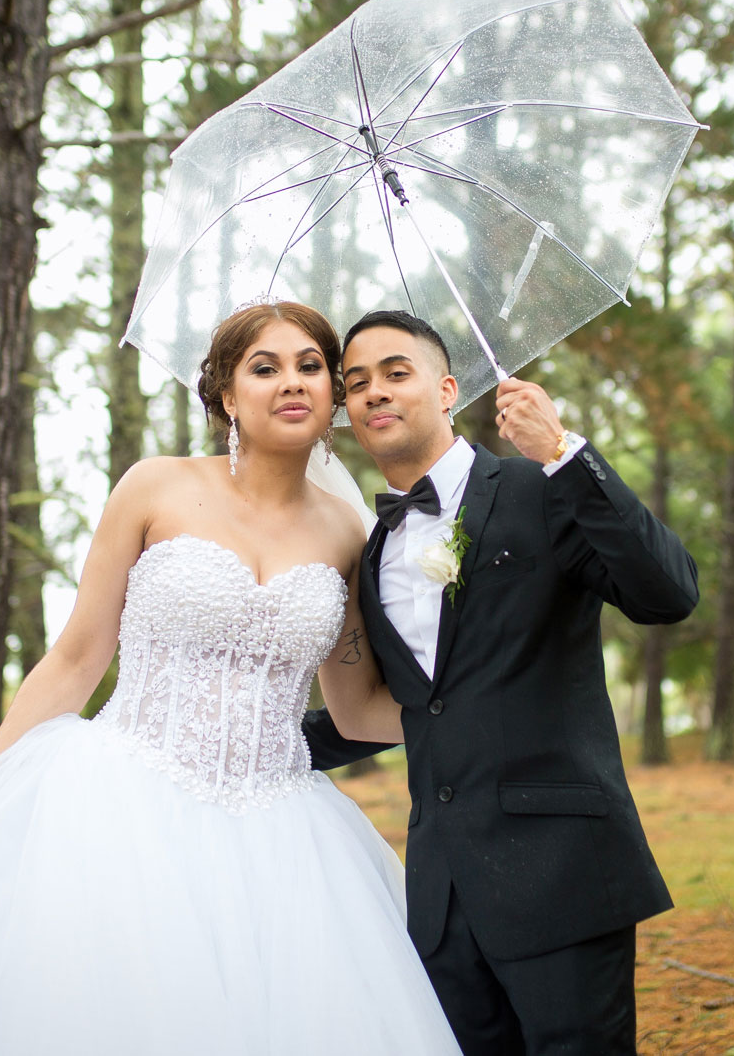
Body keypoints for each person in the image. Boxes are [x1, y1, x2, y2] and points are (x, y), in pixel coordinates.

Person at [0, 301, 461, 1056]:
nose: (290, 382)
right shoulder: (155, 487)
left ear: (332, 395)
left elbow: (358, 707)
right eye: (264, 368)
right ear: (228, 395)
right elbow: (75, 658)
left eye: (309, 367)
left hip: (285, 836)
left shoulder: (348, 529)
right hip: (124, 809)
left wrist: (475, 710)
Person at [305, 310, 699, 1056]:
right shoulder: (373, 545)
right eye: (356, 385)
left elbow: (667, 592)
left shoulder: (540, 487)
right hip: (442, 899)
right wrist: (241, 744)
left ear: (448, 388)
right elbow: (406, 708)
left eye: (396, 372)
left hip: (563, 876)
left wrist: (563, 451)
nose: (374, 394)